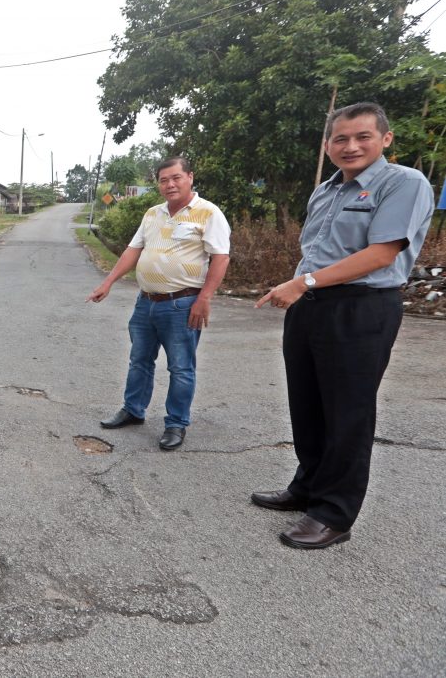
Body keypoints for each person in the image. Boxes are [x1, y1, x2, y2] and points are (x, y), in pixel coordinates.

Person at [254, 102, 434, 549]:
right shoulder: (327, 190)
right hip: (310, 305)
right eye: (341, 138)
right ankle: (307, 487)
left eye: (362, 137)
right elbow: (316, 249)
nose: (350, 146)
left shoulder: (403, 183)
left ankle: (334, 512)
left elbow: (381, 254)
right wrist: (303, 287)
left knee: (348, 412)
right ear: (328, 145)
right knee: (308, 403)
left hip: (361, 308)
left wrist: (304, 281)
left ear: (385, 139)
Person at [87, 157, 231, 450]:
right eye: (164, 180)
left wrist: (204, 298)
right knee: (139, 360)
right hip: (146, 302)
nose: (170, 184)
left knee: (180, 367)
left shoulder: (208, 213)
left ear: (190, 177)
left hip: (182, 303)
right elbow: (133, 250)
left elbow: (221, 257)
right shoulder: (153, 214)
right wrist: (108, 282)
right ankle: (133, 410)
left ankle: (176, 424)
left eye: (176, 177)